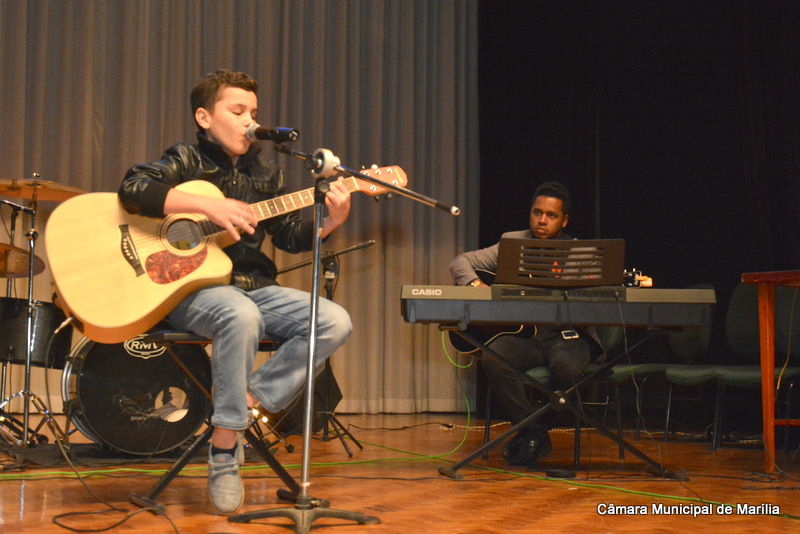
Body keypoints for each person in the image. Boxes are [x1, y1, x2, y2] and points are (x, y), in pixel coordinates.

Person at [118, 69, 353, 514]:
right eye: (238, 110)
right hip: (192, 291)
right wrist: (207, 205)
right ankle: (226, 449)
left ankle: (241, 407)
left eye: (254, 113)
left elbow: (289, 236)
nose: (250, 121)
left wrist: (331, 221)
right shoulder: (186, 158)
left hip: (253, 285)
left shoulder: (266, 172)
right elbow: (135, 187)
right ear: (205, 117)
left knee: (334, 320)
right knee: (239, 316)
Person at [449, 181, 603, 467]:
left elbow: (596, 300)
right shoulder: (512, 242)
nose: (542, 220)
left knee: (569, 369)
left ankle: (534, 432)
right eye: (537, 212)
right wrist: (476, 285)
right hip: (524, 335)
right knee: (494, 359)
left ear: (564, 220)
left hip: (565, 335)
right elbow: (460, 262)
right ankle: (534, 432)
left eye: (551, 215)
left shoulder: (580, 252)